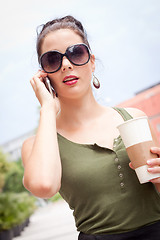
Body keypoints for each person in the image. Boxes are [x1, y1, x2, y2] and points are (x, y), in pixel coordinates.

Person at [22, 15, 160, 240]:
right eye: (52, 60)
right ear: (44, 76)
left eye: (76, 53)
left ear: (92, 61)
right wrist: (47, 108)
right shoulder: (36, 145)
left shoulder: (134, 118)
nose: (66, 64)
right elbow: (44, 186)